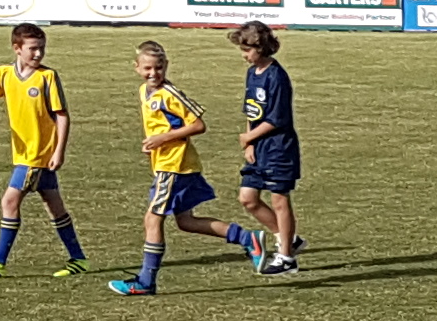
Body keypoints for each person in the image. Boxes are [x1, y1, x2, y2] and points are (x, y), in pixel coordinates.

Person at [106, 41, 252, 296]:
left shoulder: (170, 93)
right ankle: (247, 239)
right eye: (148, 68)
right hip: (170, 164)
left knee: (153, 218)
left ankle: (145, 281)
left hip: (174, 165)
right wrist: (154, 142)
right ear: (137, 68)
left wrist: (162, 139)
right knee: (186, 221)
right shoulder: (144, 92)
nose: (154, 73)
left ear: (167, 66)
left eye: (159, 68)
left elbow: (198, 125)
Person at [0, 22, 87, 276]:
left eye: (41, 48)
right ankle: (78, 259)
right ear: (16, 48)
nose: (38, 54)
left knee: (9, 201)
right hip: (24, 153)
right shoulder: (4, 74)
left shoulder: (47, 77)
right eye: (33, 49)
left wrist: (58, 151)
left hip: (36, 155)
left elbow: (62, 116)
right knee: (54, 205)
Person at [230, 21, 303, 274]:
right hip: (258, 146)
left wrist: (248, 137)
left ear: (261, 48)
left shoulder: (277, 76)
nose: (244, 55)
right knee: (248, 199)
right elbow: (252, 110)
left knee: (279, 200)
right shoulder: (252, 73)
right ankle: (288, 238)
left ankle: (286, 258)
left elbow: (277, 118)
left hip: (278, 148)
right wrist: (249, 141)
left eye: (247, 50)